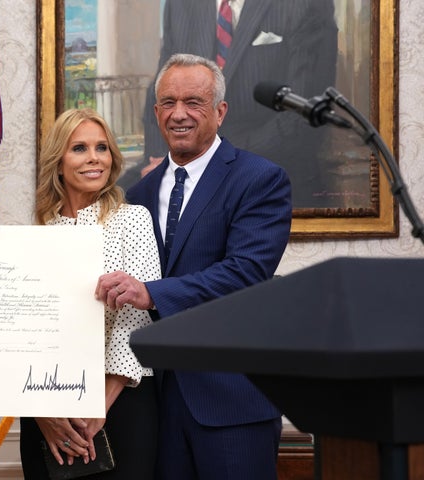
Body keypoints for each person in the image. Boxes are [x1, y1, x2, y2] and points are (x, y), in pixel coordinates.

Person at [96, 54, 292, 479]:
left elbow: (246, 272)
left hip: (232, 401)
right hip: (155, 407)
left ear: (220, 111)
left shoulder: (260, 179)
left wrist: (152, 293)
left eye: (194, 102)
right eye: (168, 102)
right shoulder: (136, 193)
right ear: (155, 113)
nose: (179, 114)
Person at [19, 108, 161, 479]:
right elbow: (19, 330)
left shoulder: (134, 219)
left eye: (102, 147)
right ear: (58, 162)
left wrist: (99, 405)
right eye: (79, 148)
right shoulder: (34, 230)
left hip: (121, 401)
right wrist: (43, 413)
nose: (94, 157)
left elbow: (137, 319)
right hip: (45, 406)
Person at [139, 0, 337, 207]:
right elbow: (160, 96)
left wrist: (206, 163)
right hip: (184, 186)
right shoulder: (180, 5)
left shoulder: (306, 4)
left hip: (269, 184)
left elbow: (300, 117)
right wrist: (164, 165)